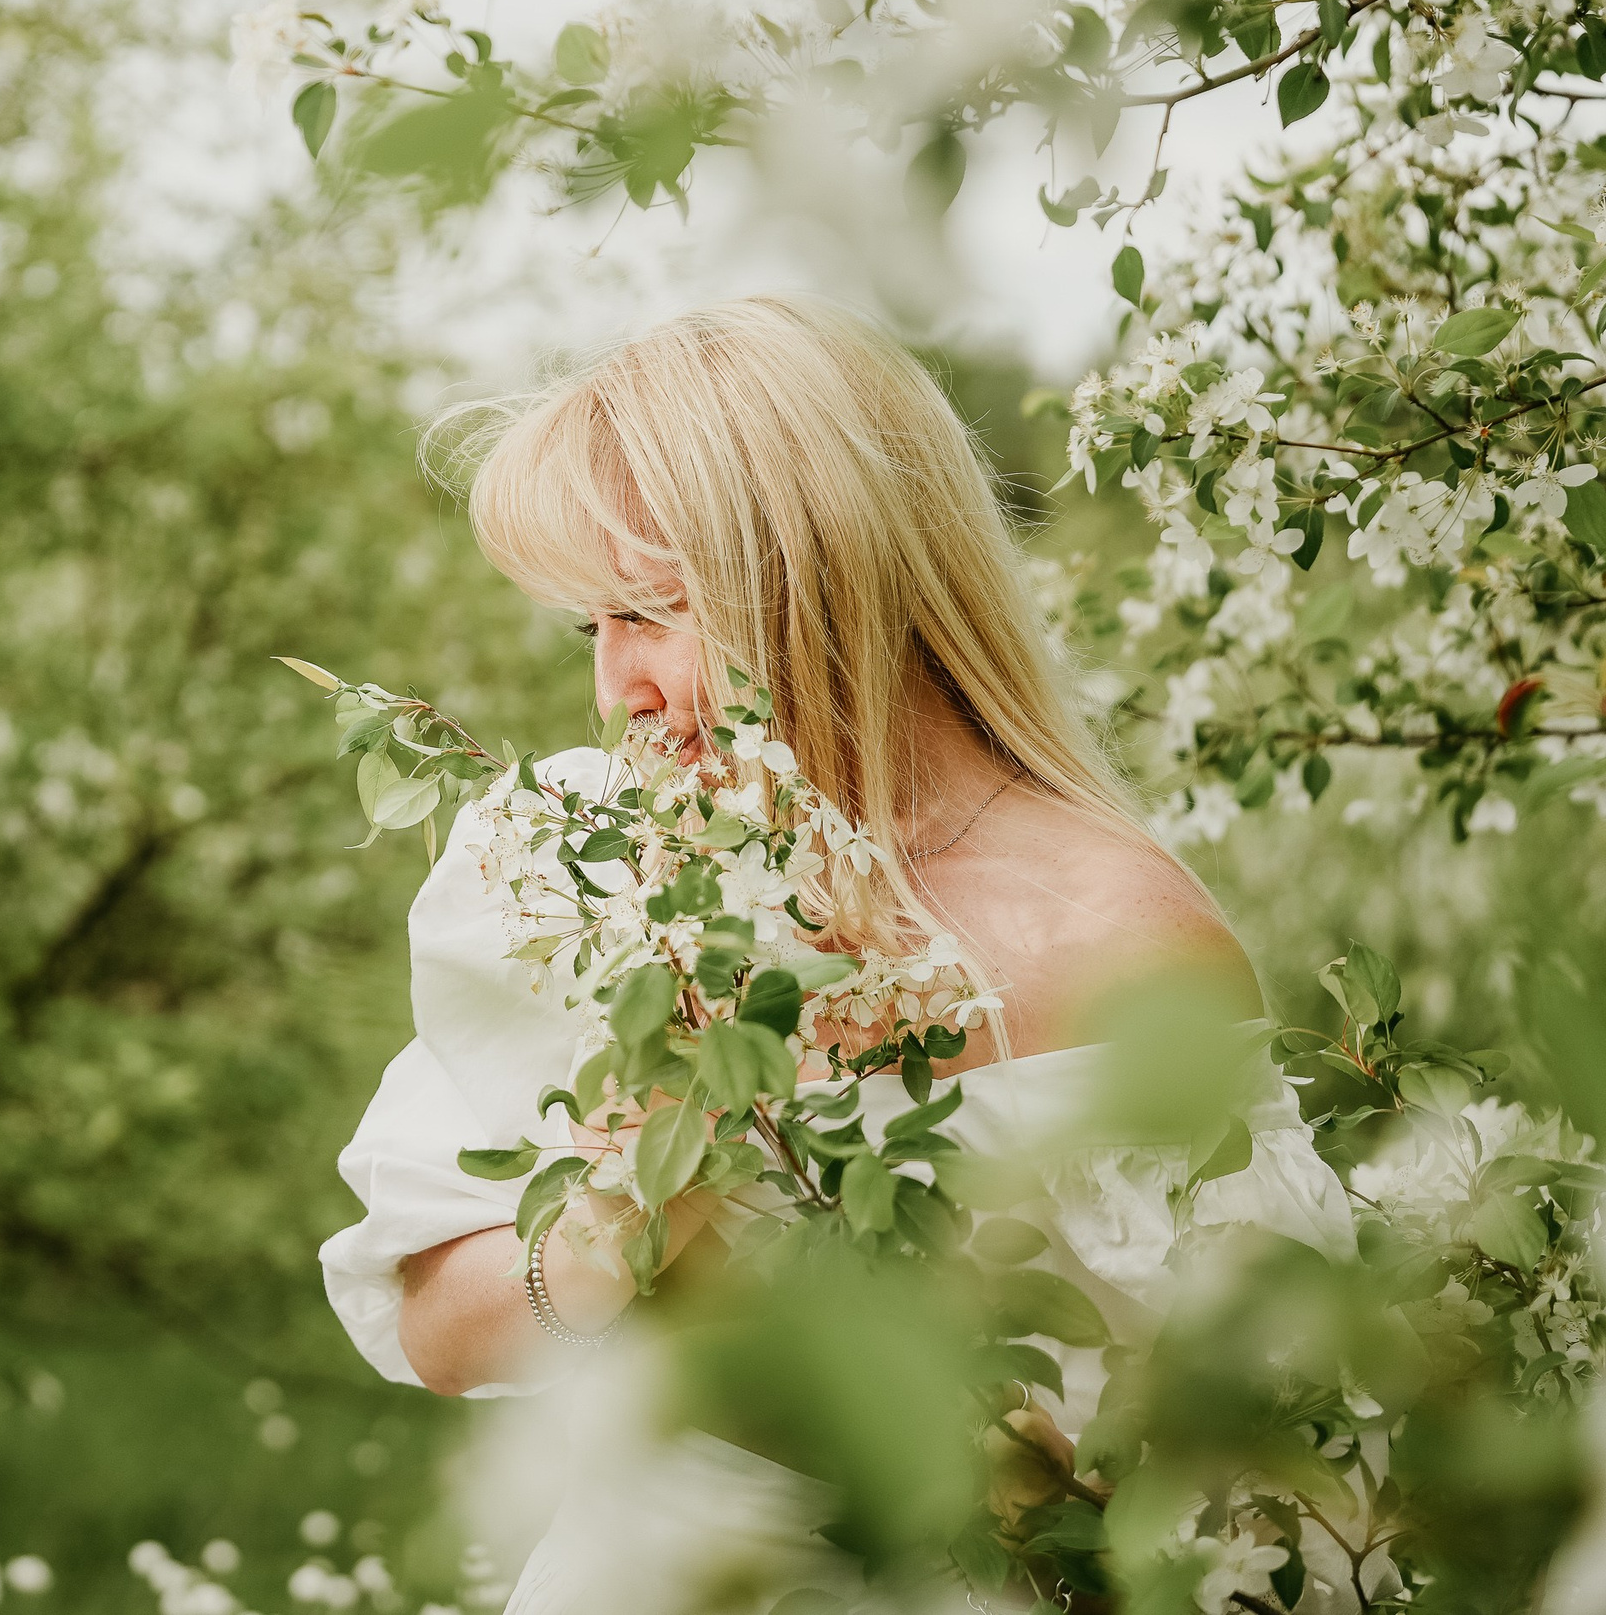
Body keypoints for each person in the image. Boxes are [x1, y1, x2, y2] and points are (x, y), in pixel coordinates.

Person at [316, 296, 1357, 1611]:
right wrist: (613, 1232)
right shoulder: (587, 872)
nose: (612, 689)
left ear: (827, 574)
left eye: (654, 612)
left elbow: (1257, 1470)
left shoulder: (1113, 938)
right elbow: (436, 1326)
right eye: (593, 628)